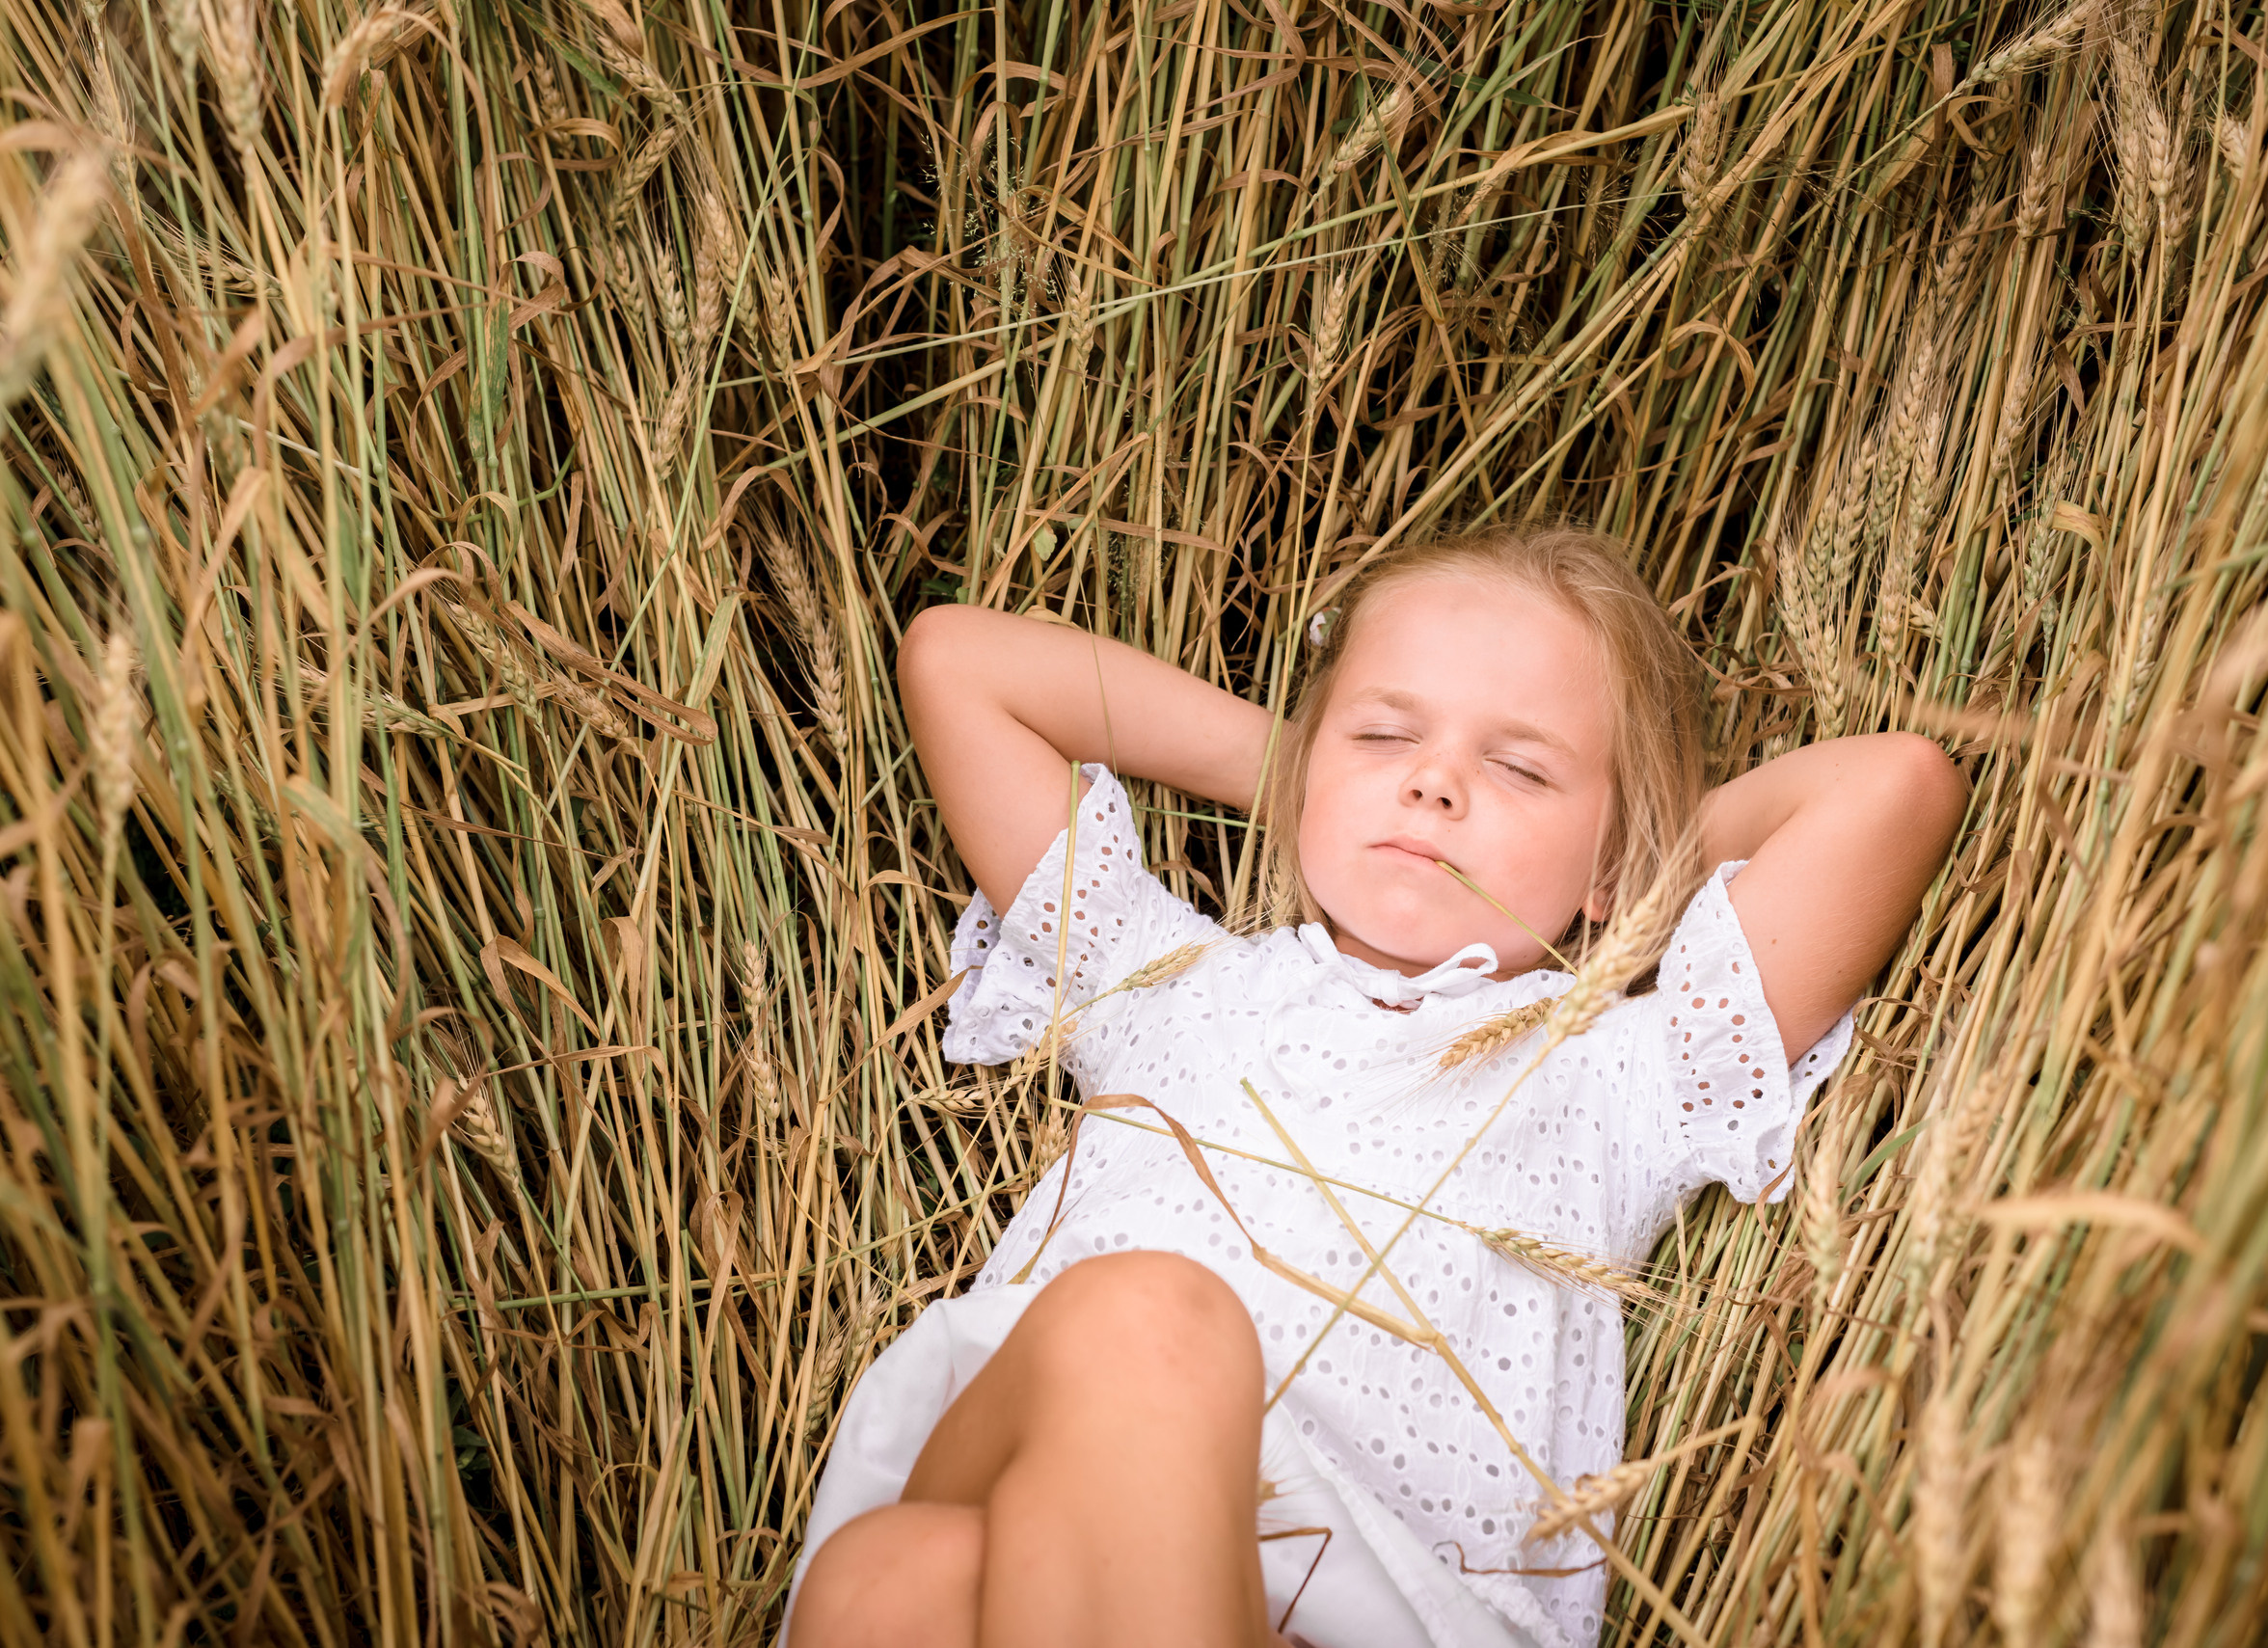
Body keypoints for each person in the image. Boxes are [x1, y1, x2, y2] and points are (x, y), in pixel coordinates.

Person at [784, 526, 1967, 1648]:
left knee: (895, 1582)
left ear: (1613, 857)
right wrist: (1302, 770)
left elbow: (1894, 789)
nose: (1434, 785)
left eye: (1515, 767)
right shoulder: (1158, 977)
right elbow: (958, 662)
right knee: (1120, 1344)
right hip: (1044, 1468)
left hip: (1365, 1600)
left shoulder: (1615, 1075)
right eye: (1383, 738)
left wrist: (1635, 851)